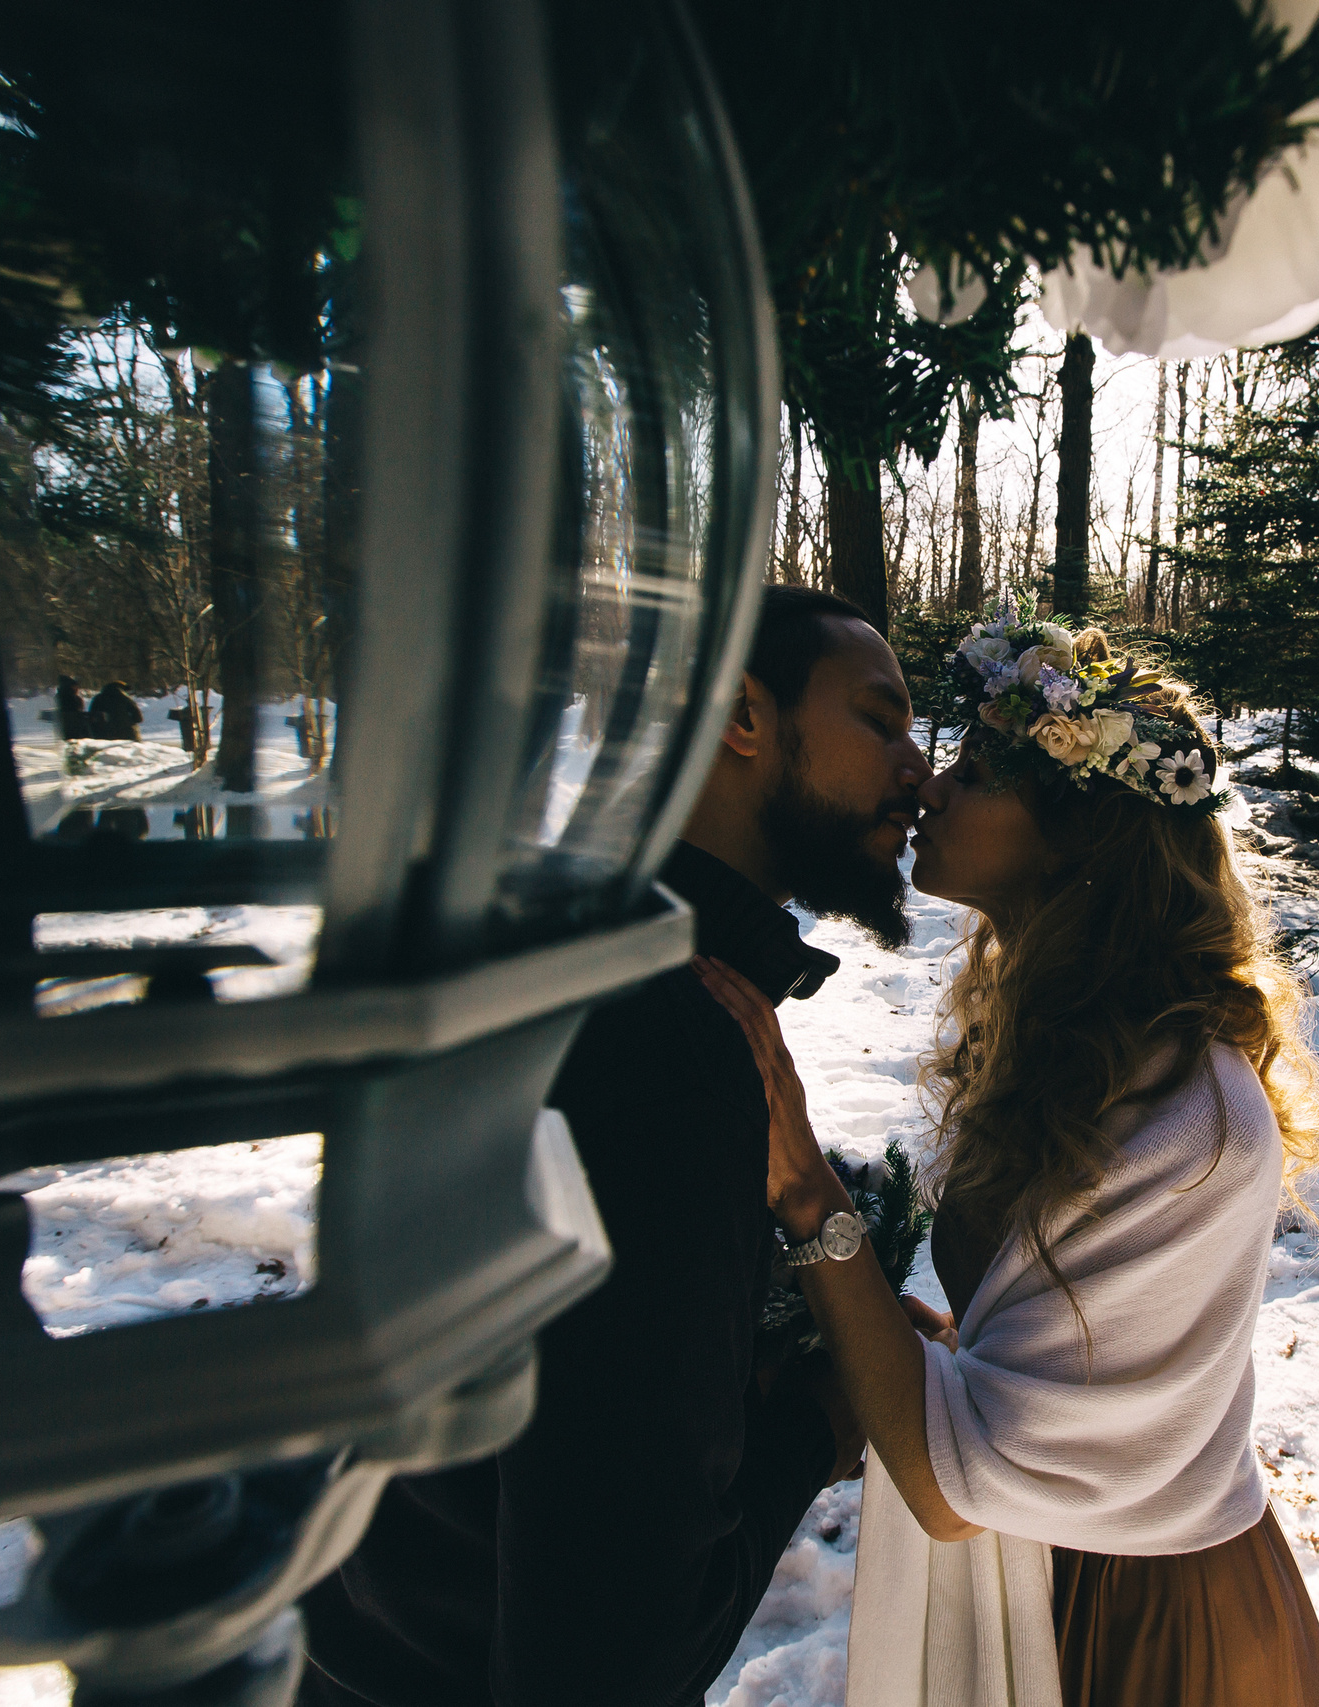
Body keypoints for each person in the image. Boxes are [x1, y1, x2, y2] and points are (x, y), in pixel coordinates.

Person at [299, 587, 932, 1707]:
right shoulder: (668, 1045)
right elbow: (608, 1663)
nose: (918, 766)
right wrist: (821, 1421)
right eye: (880, 720)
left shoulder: (551, 942)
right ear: (743, 714)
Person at [699, 615, 1319, 1707]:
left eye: (978, 773)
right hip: (1043, 1578)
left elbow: (965, 1487)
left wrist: (806, 1191)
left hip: (1139, 1630)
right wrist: (930, 1348)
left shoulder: (1187, 1116)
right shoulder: (1068, 1043)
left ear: (1076, 835)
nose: (933, 791)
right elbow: (1048, 1344)